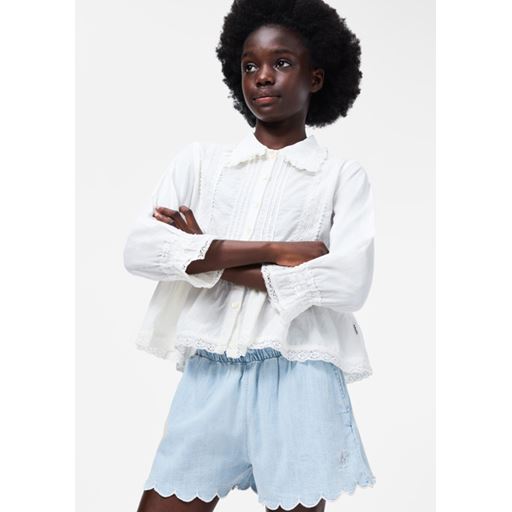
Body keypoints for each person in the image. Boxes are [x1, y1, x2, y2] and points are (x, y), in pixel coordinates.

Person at [124, 1, 377, 510]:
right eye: (249, 65)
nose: (262, 76)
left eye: (282, 63)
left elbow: (349, 282)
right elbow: (141, 251)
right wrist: (280, 251)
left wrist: (206, 254)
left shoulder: (340, 177)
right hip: (209, 376)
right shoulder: (200, 163)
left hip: (301, 374)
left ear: (316, 77)